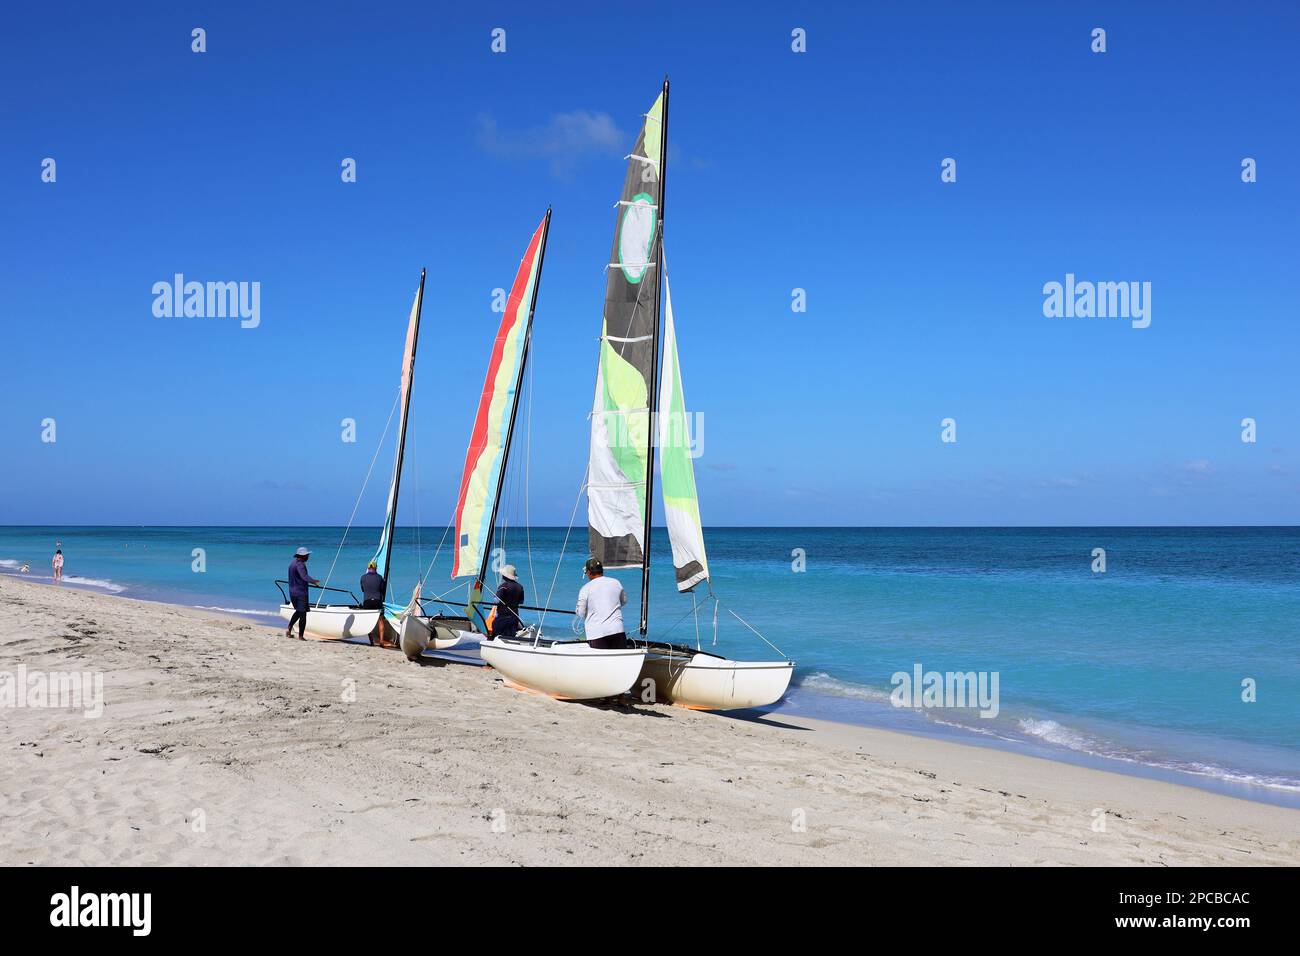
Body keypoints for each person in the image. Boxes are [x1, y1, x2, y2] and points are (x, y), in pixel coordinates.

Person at [575, 557, 629, 649]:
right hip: (617, 630)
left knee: (600, 661)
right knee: (619, 659)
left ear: (588, 572)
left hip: (597, 633)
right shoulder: (616, 582)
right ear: (602, 570)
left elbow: (581, 613)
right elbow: (624, 601)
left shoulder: (585, 588)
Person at [285, 547, 319, 640]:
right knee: (303, 614)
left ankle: (289, 627)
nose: (308, 557)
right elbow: (304, 577)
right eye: (307, 555)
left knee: (299, 611)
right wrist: (314, 581)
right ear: (303, 556)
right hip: (300, 593)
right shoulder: (300, 565)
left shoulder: (292, 564)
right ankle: (301, 636)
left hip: (292, 592)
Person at [490, 564, 525, 638]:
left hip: (502, 616)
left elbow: (496, 601)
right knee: (510, 636)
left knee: (497, 634)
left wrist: (494, 596)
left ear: (505, 576)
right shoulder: (520, 587)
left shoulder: (503, 586)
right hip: (514, 616)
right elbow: (521, 601)